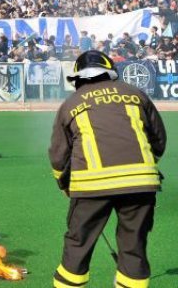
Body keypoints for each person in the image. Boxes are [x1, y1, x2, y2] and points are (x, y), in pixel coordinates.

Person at [49, 50, 166, 288]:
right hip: (141, 184)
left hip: (91, 187)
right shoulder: (136, 94)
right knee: (134, 247)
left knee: (78, 245)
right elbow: (158, 140)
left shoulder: (70, 104)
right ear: (110, 73)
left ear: (78, 79)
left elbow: (59, 156)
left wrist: (64, 184)